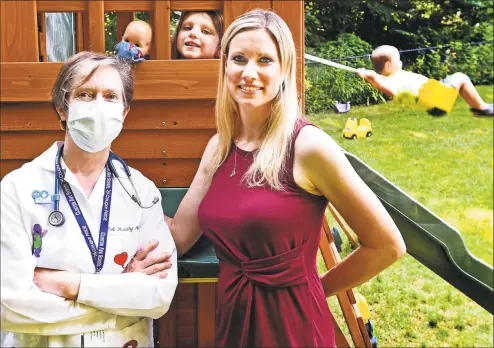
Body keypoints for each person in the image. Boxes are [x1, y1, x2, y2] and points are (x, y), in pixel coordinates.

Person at [167, 9, 406, 347]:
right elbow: (180, 235)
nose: (249, 72)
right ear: (225, 66)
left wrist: (316, 290)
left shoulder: (308, 146)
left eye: (265, 60)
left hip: (294, 327)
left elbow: (387, 245)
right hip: (234, 323)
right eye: (239, 58)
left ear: (284, 70)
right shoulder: (219, 147)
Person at [0, 51, 177, 347]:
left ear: (124, 113)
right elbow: (9, 304)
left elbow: (158, 297)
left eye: (110, 96)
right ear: (62, 107)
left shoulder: (141, 192)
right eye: (85, 94)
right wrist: (121, 299)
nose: (98, 106)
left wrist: (70, 285)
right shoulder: (17, 188)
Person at [357, 45, 493, 116]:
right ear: (388, 66)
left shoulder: (391, 78)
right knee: (461, 78)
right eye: (398, 60)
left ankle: (478, 108)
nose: (400, 62)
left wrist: (368, 76)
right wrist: (371, 76)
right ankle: (480, 108)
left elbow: (379, 83)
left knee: (461, 83)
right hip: (434, 100)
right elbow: (384, 87)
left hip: (435, 93)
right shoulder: (392, 81)